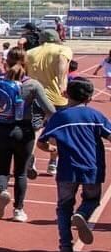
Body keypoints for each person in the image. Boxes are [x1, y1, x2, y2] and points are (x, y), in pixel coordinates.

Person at [38, 77, 111, 252]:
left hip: (67, 170)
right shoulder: (95, 116)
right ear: (90, 98)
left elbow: (42, 142)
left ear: (66, 95)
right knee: (92, 199)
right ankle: (83, 214)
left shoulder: (59, 117)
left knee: (63, 207)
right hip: (92, 168)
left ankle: (65, 249)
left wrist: (51, 149)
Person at [0, 61, 55, 223]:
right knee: (21, 173)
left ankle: (2, 191)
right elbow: (50, 110)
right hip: (24, 131)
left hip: (0, 129)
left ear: (5, 65)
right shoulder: (32, 84)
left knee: (2, 170)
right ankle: (18, 210)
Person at [25, 27, 74, 176]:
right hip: (57, 97)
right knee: (56, 130)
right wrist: (61, 82)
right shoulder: (63, 50)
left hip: (35, 96)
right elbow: (62, 61)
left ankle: (30, 158)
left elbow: (25, 73)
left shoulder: (30, 53)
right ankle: (53, 162)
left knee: (35, 129)